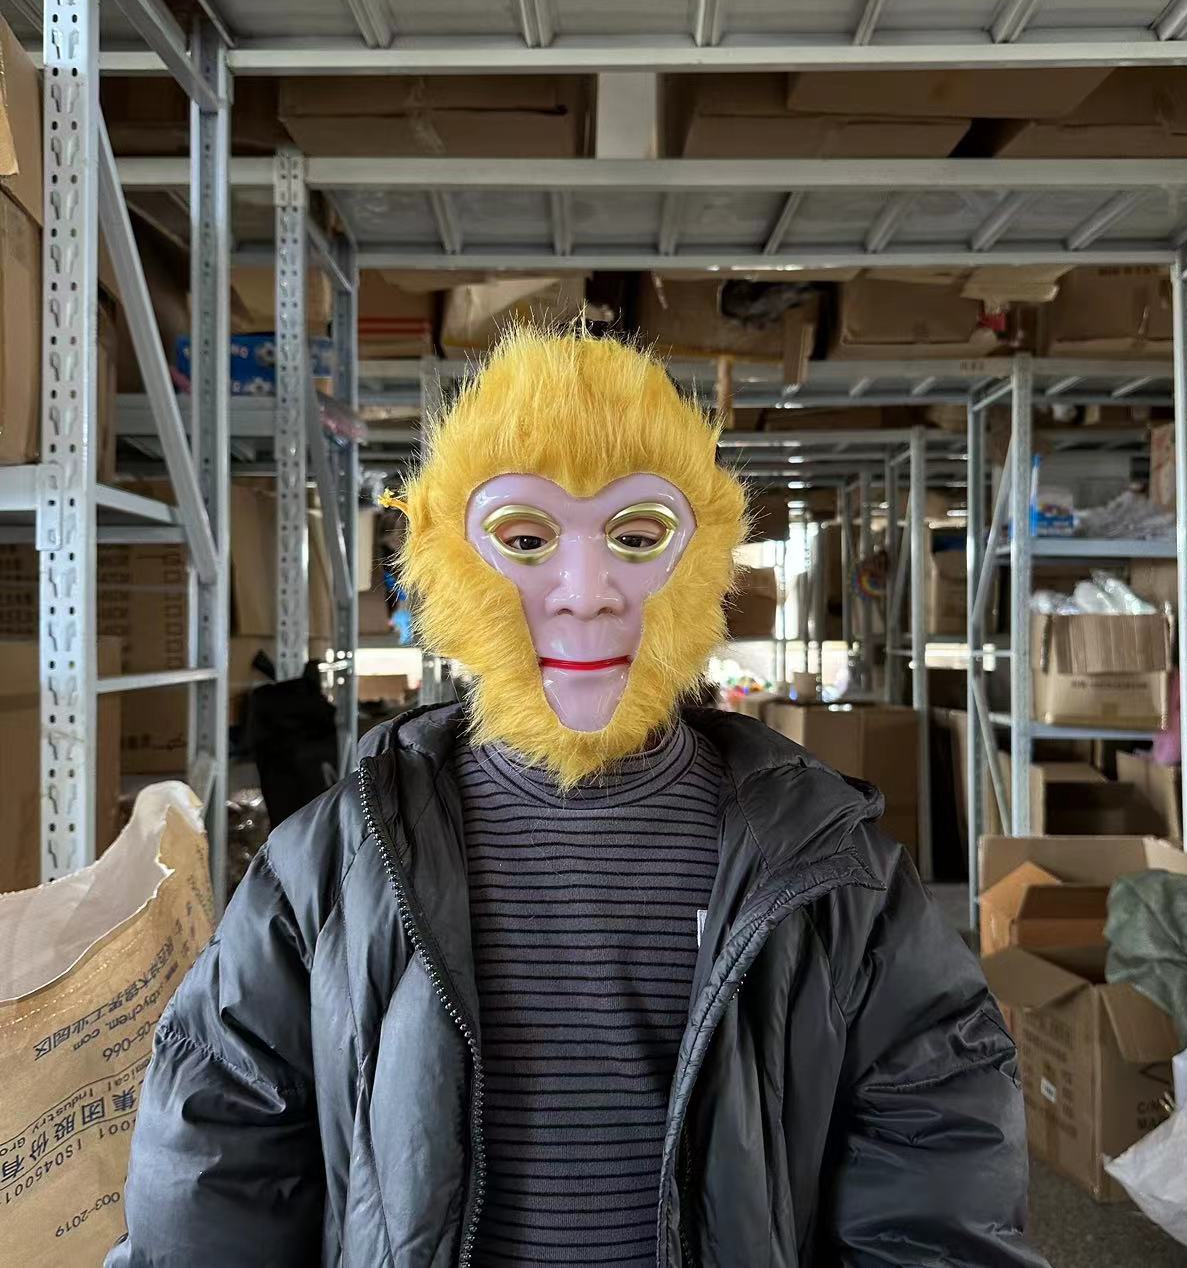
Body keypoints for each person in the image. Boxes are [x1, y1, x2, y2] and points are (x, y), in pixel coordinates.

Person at [108, 329, 1045, 1267]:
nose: (587, 594)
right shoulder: (328, 865)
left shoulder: (830, 868)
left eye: (638, 538)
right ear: (446, 555)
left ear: (709, 553)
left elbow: (939, 1158)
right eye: (525, 539)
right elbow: (218, 1155)